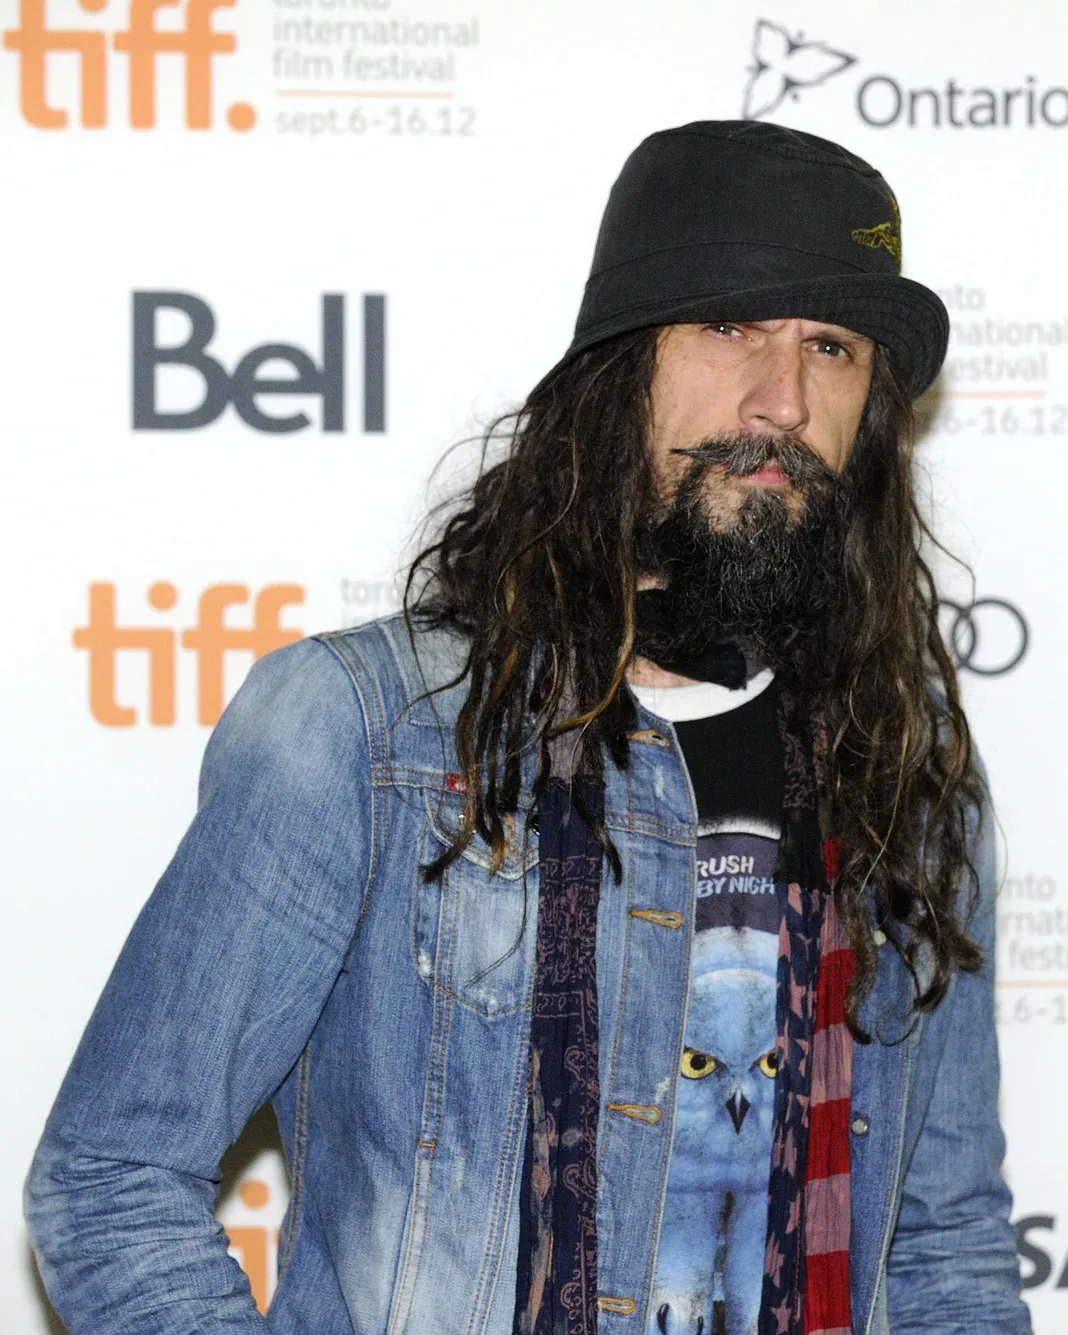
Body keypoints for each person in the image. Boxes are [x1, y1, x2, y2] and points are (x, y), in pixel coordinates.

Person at [26, 121, 1030, 1335]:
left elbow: (942, 1247)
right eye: (730, 329)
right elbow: (112, 1178)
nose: (785, 398)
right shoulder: (364, 735)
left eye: (832, 348)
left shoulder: (903, 766)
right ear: (620, 369)